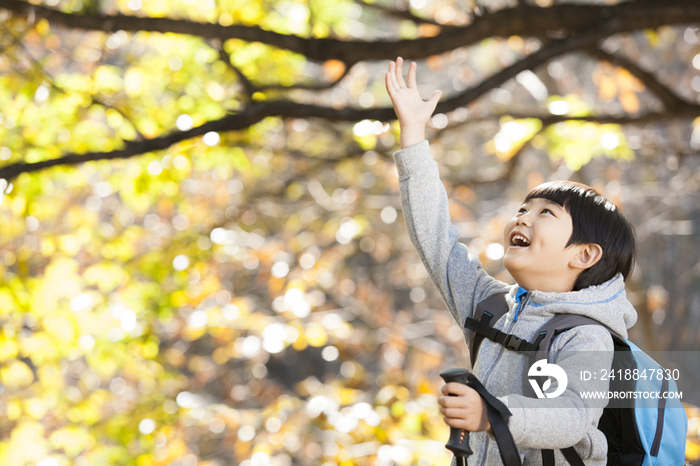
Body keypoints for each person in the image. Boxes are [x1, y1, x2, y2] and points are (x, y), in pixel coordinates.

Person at [385, 57, 638, 464]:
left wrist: (492, 415)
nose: (523, 217)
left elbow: (573, 415)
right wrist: (413, 136)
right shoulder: (492, 305)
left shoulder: (588, 336)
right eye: (524, 208)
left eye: (546, 213)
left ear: (584, 254)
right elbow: (437, 241)